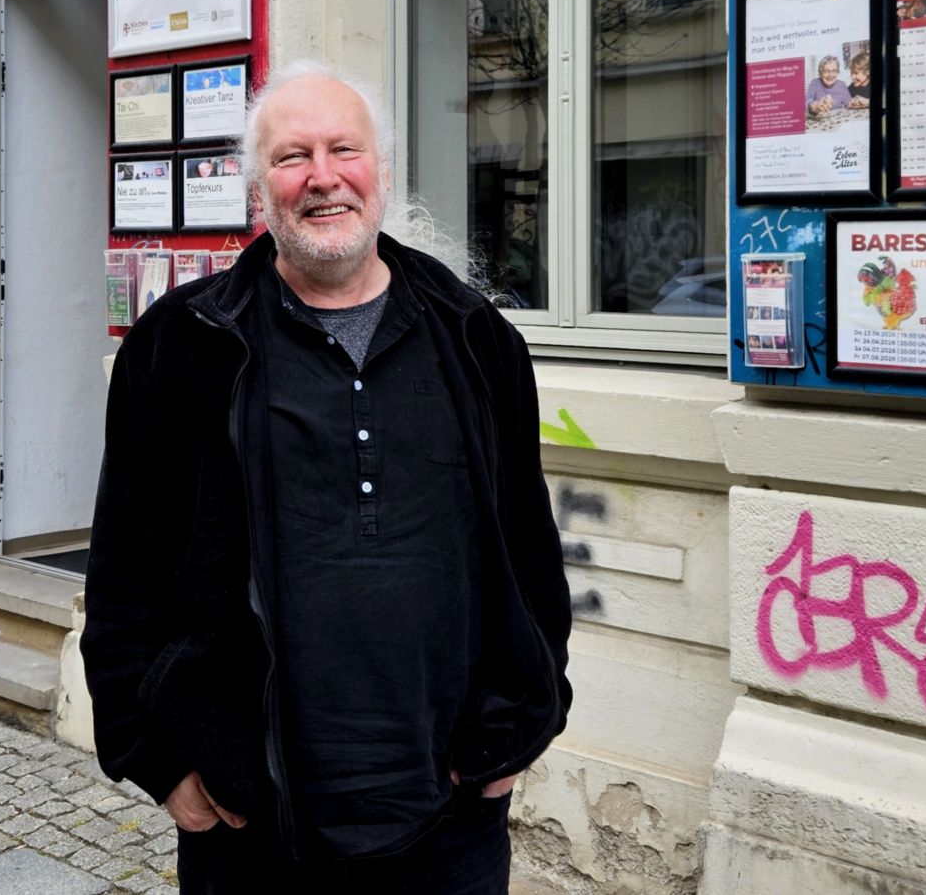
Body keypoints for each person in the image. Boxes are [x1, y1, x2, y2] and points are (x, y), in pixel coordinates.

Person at [84, 63, 573, 894]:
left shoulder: (476, 340)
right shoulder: (182, 347)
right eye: (291, 157)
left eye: (344, 149)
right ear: (258, 190)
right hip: (252, 826)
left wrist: (524, 726)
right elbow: (126, 568)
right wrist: (162, 761)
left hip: (448, 823)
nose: (322, 176)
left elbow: (528, 553)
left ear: (379, 170)